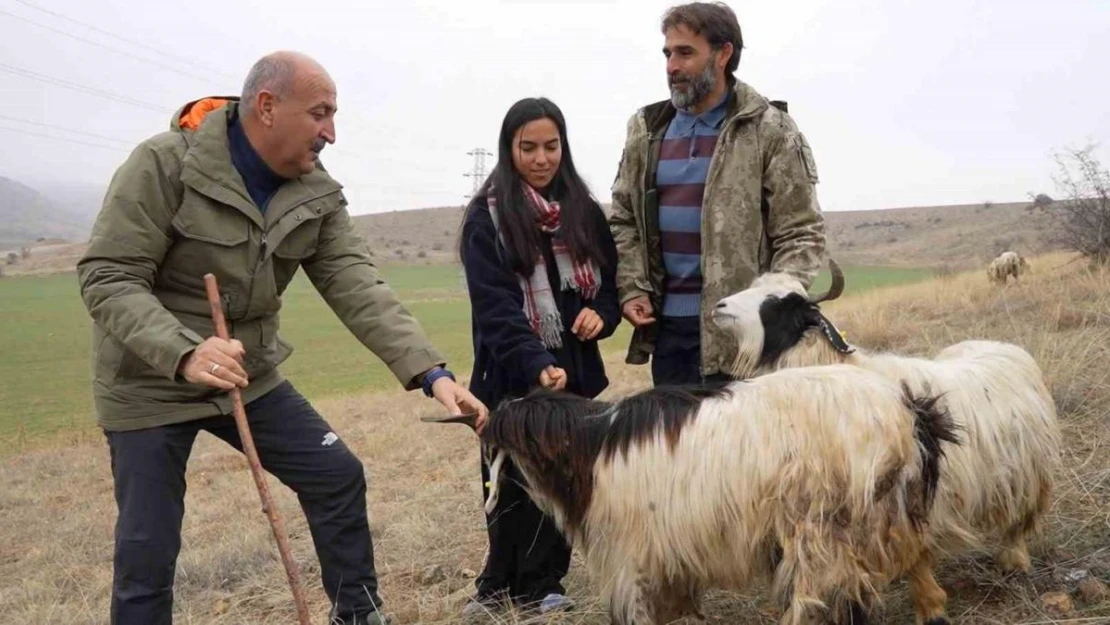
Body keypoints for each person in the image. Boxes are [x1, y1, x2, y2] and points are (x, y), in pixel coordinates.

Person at [76, 51, 488, 625]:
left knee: (337, 476)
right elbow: (108, 275)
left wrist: (432, 374)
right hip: (149, 381)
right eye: (320, 113)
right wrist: (185, 351)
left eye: (334, 116)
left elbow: (357, 285)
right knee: (148, 548)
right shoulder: (165, 165)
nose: (331, 133)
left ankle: (359, 616)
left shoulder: (315, 192)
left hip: (249, 375)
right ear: (267, 107)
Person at [457, 97, 622, 616]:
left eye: (551, 146)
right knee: (506, 478)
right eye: (528, 147)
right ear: (510, 149)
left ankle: (545, 583)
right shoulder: (487, 218)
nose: (541, 158)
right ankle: (497, 586)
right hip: (507, 371)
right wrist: (534, 361)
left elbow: (610, 286)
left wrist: (602, 314)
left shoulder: (583, 211)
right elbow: (495, 306)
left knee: (563, 477)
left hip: (573, 374)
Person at [609, 1, 827, 386]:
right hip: (670, 334)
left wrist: (768, 307)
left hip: (748, 341)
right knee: (678, 447)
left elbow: (802, 233)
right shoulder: (646, 130)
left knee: (748, 448)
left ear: (723, 53)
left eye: (685, 53)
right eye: (668, 53)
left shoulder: (769, 130)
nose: (671, 67)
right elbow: (623, 218)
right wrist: (632, 287)